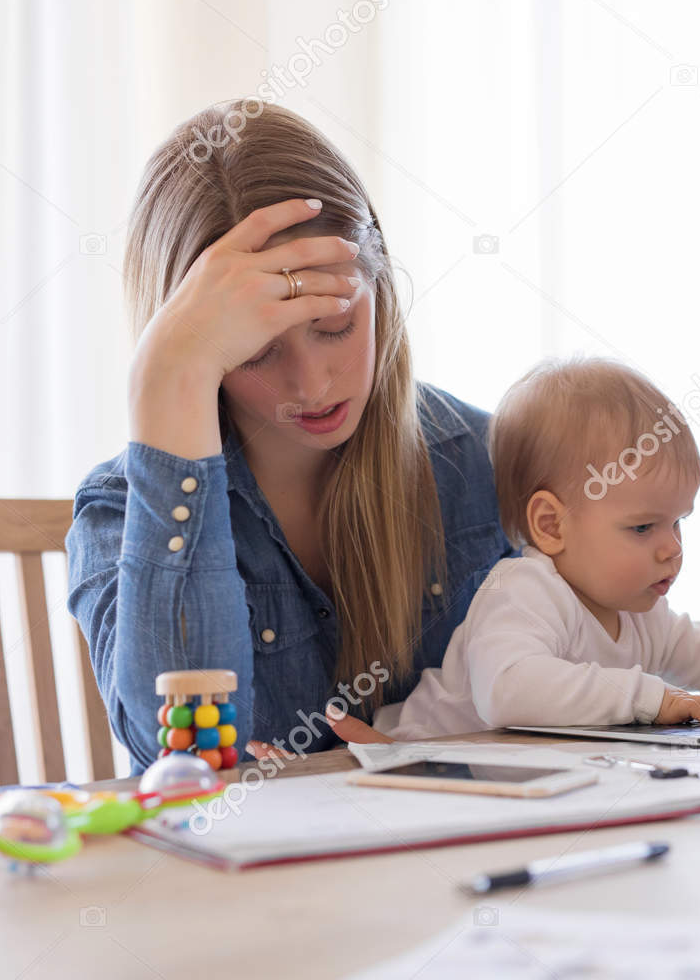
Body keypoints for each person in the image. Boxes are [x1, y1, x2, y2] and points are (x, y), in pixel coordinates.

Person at [66, 101, 512, 772]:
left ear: (379, 285)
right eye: (254, 351)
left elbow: (600, 685)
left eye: (334, 325)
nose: (311, 384)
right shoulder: (118, 511)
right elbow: (186, 764)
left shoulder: (484, 460)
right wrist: (163, 381)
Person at [367, 357, 700, 740]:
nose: (672, 549)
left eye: (678, 521)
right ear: (552, 525)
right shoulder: (522, 590)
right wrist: (649, 698)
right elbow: (507, 690)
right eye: (643, 527)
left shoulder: (642, 614)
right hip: (412, 764)